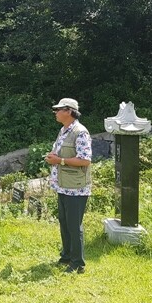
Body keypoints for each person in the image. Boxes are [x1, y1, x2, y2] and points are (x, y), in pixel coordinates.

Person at [45, 98, 92, 274]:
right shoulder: (63, 130)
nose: (55, 112)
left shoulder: (80, 132)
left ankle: (77, 263)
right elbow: (60, 153)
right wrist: (53, 158)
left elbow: (85, 160)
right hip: (62, 186)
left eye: (58, 109)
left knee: (74, 225)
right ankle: (66, 256)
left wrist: (60, 161)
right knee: (64, 222)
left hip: (76, 188)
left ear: (69, 111)